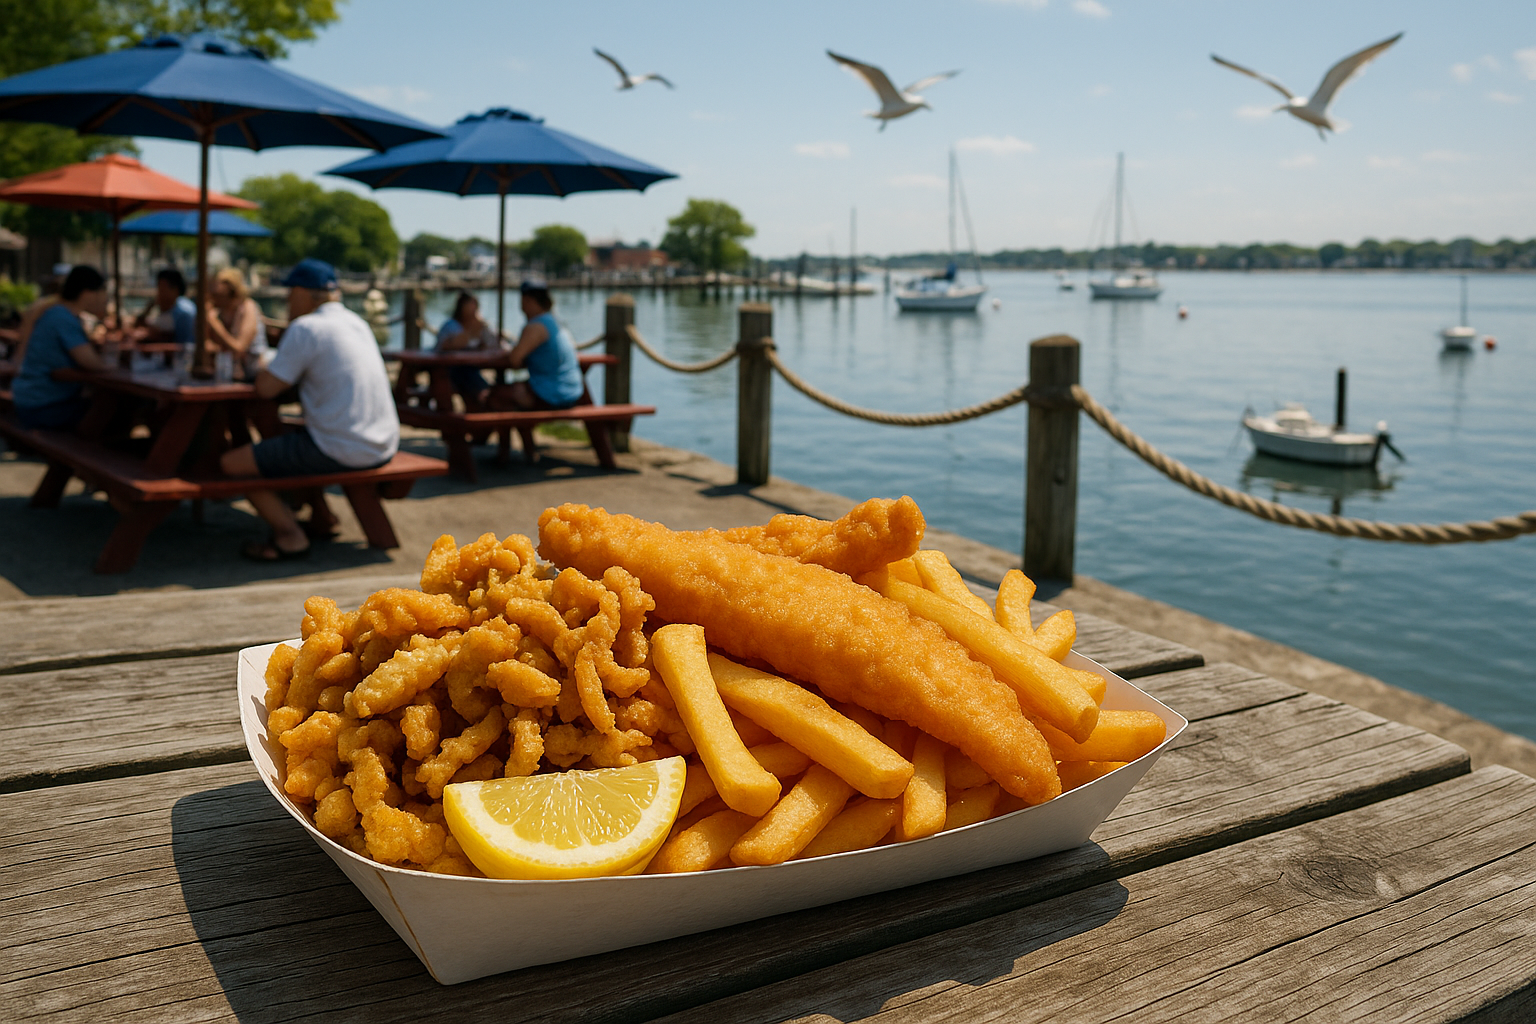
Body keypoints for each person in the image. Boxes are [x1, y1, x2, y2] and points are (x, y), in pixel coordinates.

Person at [218, 258, 399, 562]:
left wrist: (266, 363)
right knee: (287, 435)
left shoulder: (306, 327)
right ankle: (321, 516)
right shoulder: (357, 322)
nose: (288, 300)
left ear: (303, 293)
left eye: (290, 293)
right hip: (382, 442)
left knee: (233, 464)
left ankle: (290, 536)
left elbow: (265, 389)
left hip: (342, 446)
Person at [11, 265, 110, 430]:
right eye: (102, 292)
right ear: (88, 293)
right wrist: (111, 365)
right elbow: (91, 363)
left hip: (28, 401)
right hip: (42, 407)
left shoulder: (54, 311)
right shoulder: (62, 317)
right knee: (110, 408)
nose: (104, 298)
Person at [499, 281, 583, 411]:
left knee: (496, 397)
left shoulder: (536, 326)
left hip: (553, 396)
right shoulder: (555, 322)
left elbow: (514, 360)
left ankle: (477, 430)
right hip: (573, 393)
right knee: (514, 395)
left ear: (527, 301)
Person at [435, 291, 501, 407]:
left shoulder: (480, 326)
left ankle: (488, 397)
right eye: (470, 305)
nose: (473, 309)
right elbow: (449, 345)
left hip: (469, 368)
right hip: (449, 369)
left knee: (469, 372)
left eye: (475, 305)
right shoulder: (451, 326)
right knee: (466, 373)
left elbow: (492, 344)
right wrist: (473, 330)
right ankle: (487, 396)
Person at [207, 267, 268, 374]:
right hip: (228, 370)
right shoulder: (217, 312)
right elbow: (207, 346)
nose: (213, 298)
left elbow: (239, 349)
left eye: (218, 295)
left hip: (253, 371)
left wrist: (213, 323)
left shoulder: (248, 308)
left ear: (232, 294)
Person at [134, 268, 195, 348]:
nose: (159, 292)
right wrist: (150, 307)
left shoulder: (183, 312)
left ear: (175, 289)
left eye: (162, 288)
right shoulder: (172, 307)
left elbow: (181, 345)